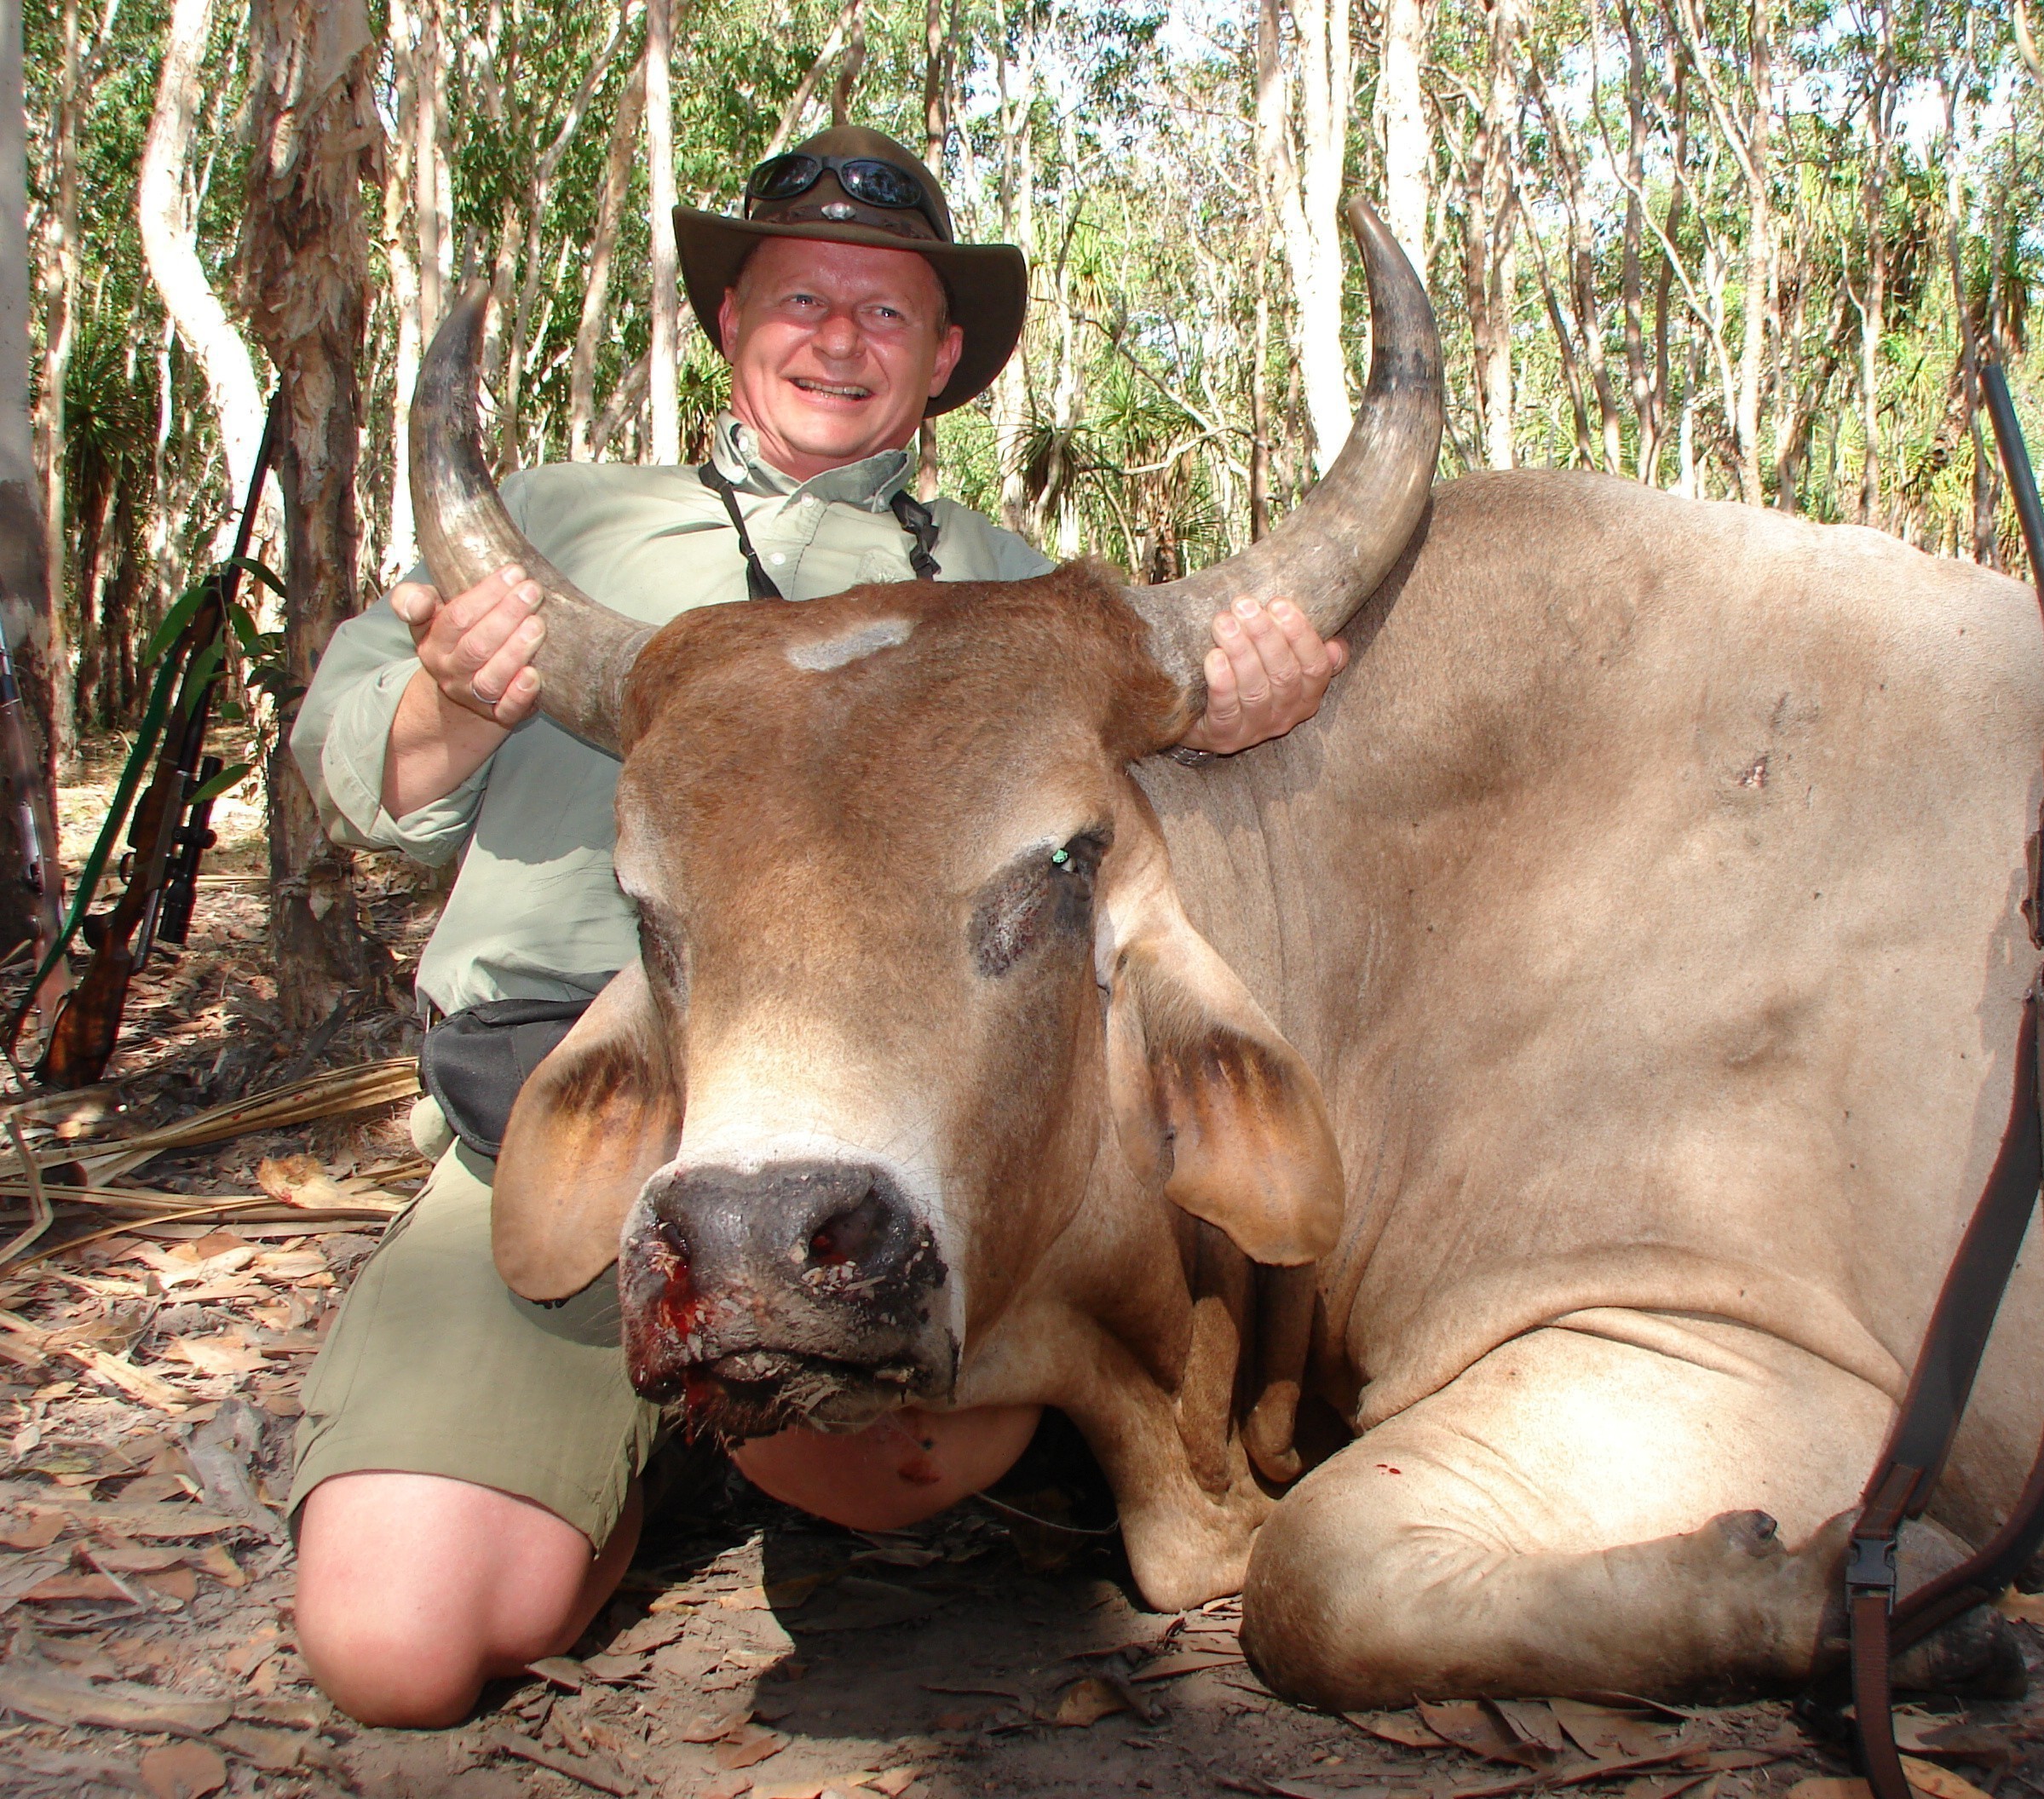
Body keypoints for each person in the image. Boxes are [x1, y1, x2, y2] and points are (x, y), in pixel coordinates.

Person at [286, 125, 1348, 1728]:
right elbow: (365, 785)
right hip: (566, 1107)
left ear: (942, 357)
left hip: (882, 1127)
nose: (838, 341)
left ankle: (767, 1449)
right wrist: (450, 701)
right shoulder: (555, 529)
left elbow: (1112, 831)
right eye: (801, 300)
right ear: (730, 324)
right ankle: (623, 1457)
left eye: (884, 314)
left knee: (921, 1455)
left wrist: (1239, 700)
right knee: (399, 1650)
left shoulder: (1013, 584)